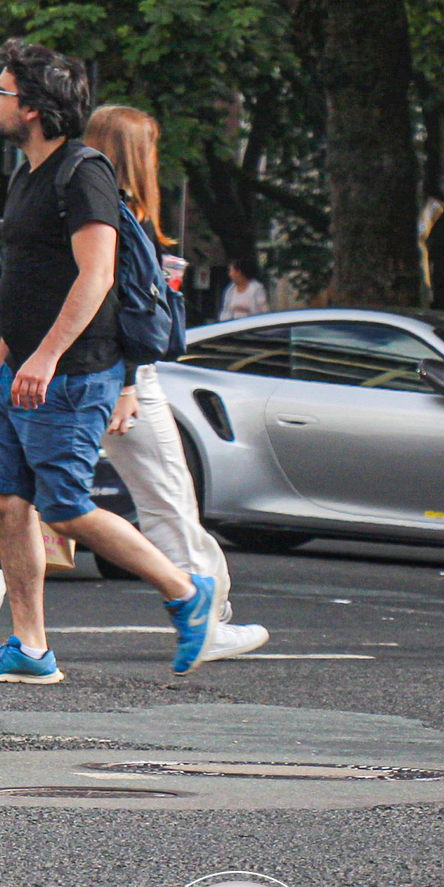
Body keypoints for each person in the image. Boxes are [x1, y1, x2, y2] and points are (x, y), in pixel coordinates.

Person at [0, 42, 215, 686]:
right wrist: (3, 363)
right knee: (9, 505)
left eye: (3, 93)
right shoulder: (25, 175)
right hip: (19, 373)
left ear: (36, 110)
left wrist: (44, 357)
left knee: (65, 508)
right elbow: (30, 277)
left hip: (70, 376)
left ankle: (185, 590)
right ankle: (31, 647)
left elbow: (96, 278)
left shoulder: (83, 173)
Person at [87, 107, 267, 661]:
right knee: (167, 497)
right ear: (138, 155)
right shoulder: (121, 214)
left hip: (83, 369)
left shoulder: (78, 205)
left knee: (25, 495)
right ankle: (206, 615)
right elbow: (129, 309)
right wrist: (127, 382)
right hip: (124, 374)